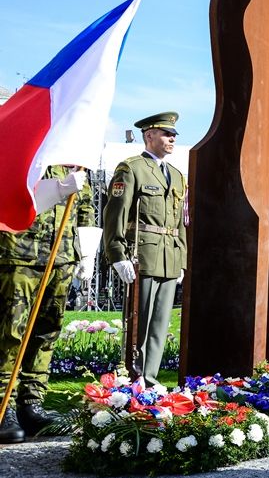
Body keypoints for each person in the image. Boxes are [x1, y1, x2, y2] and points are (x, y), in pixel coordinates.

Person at [1, 168, 94, 443]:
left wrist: (87, 251)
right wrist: (56, 189)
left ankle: (31, 403)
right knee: (10, 333)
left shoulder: (75, 157)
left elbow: (85, 206)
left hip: (62, 253)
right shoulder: (33, 149)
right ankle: (3, 405)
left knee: (47, 331)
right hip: (20, 250)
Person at [102, 112, 188, 386]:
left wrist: (182, 258)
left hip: (169, 256)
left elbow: (180, 222)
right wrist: (117, 254)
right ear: (149, 135)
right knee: (139, 320)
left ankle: (150, 378)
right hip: (144, 255)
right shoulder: (132, 168)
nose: (172, 138)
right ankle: (134, 374)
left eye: (174, 134)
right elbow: (115, 214)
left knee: (160, 323)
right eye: (166, 133)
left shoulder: (175, 175)